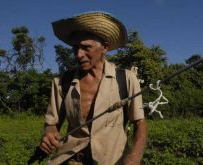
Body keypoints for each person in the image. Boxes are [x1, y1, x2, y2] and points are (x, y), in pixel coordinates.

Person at [39, 11, 148, 165]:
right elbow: (51, 123)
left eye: (86, 47)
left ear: (104, 48)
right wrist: (49, 134)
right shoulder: (62, 81)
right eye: (75, 48)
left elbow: (139, 123)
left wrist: (135, 156)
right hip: (71, 159)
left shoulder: (126, 79)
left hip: (113, 160)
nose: (78, 54)